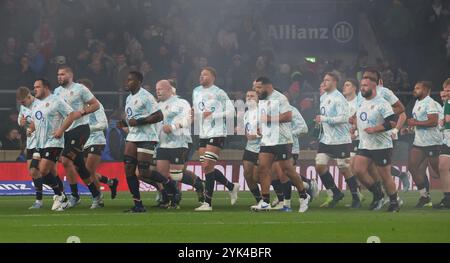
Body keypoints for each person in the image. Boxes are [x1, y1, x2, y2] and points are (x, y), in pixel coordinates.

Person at [118, 71, 179, 213]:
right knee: (128, 169)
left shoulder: (146, 96)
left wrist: (138, 122)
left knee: (144, 171)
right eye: (127, 80)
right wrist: (124, 122)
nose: (127, 82)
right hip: (133, 137)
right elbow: (132, 118)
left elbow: (159, 115)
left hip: (147, 137)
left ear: (139, 82)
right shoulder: (129, 98)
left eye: (131, 80)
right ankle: (138, 204)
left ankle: (170, 185)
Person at [251, 77, 310, 212]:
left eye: (258, 87)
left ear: (268, 86)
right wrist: (261, 128)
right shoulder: (263, 101)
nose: (256, 90)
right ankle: (265, 201)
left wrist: (270, 119)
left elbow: (288, 116)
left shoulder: (280, 98)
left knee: (287, 171)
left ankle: (303, 195)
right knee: (263, 168)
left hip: (282, 140)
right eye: (255, 88)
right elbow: (264, 119)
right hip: (267, 140)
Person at [53, 66, 104, 209]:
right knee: (78, 165)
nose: (59, 76)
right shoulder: (57, 92)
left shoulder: (80, 89)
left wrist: (81, 112)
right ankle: (94, 195)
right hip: (66, 130)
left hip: (81, 128)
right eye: (58, 74)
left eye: (62, 74)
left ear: (70, 75)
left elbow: (95, 105)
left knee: (65, 159)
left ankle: (76, 196)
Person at [192, 67, 239, 211]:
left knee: (206, 165)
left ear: (213, 77)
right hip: (203, 133)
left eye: (205, 75)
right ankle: (231, 186)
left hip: (217, 131)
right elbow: (197, 110)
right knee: (207, 168)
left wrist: (214, 115)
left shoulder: (219, 92)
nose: (202, 77)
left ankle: (208, 203)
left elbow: (232, 111)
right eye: (201, 74)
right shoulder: (196, 91)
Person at [30, 78, 80, 211]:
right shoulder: (36, 104)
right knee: (37, 171)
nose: (35, 89)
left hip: (54, 142)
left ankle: (59, 195)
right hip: (39, 143)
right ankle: (61, 195)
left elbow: (71, 114)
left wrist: (61, 130)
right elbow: (37, 121)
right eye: (34, 87)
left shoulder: (56, 101)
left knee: (43, 170)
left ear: (46, 87)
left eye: (37, 87)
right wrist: (30, 128)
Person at [352, 77, 400, 212]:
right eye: (361, 85)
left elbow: (392, 123)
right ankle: (378, 194)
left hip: (381, 145)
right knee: (358, 170)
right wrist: (354, 127)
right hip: (365, 144)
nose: (362, 88)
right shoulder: (361, 103)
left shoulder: (382, 103)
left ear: (373, 87)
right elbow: (363, 120)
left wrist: (375, 129)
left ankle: (394, 202)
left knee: (385, 176)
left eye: (365, 85)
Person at [314, 72, 361, 209]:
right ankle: (335, 192)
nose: (324, 82)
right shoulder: (323, 97)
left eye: (327, 80)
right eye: (324, 80)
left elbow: (343, 118)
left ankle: (356, 197)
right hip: (326, 140)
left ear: (335, 82)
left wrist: (324, 119)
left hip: (340, 140)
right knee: (319, 165)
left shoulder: (339, 98)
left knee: (344, 168)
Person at [155, 80, 203, 208]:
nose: (158, 91)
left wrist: (173, 126)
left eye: (161, 89)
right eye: (156, 89)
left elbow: (188, 119)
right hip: (162, 144)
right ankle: (172, 198)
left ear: (170, 90)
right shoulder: (157, 106)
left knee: (176, 174)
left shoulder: (181, 103)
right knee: (162, 175)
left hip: (179, 141)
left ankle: (197, 184)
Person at [78, 79, 119, 200]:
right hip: (84, 142)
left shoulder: (96, 104)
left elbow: (103, 124)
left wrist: (87, 129)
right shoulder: (78, 106)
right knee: (85, 172)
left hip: (96, 140)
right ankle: (110, 182)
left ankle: (98, 198)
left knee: (89, 171)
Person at [407, 81, 442, 208]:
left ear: (426, 90)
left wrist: (415, 123)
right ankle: (424, 196)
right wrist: (410, 128)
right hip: (419, 142)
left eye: (418, 88)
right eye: (414, 88)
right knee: (412, 166)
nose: (414, 90)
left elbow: (433, 122)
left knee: (438, 172)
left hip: (432, 142)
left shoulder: (430, 103)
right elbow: (419, 122)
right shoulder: (417, 103)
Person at [16, 86, 43, 209]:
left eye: (23, 102)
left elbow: (43, 122)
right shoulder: (23, 107)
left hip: (41, 142)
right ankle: (58, 194)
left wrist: (32, 127)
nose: (22, 104)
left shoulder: (40, 105)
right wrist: (20, 122)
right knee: (33, 173)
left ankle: (40, 200)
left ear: (29, 96)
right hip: (31, 143)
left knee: (36, 170)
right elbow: (21, 118)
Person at [242, 90, 262, 205]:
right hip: (249, 148)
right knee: (247, 175)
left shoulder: (262, 112)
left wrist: (256, 135)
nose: (249, 98)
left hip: (261, 148)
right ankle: (259, 200)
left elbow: (268, 130)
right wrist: (247, 135)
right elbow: (247, 131)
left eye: (252, 96)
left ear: (258, 98)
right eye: (247, 96)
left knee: (258, 177)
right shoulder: (246, 113)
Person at [436, 78, 450, 209]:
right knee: (443, 166)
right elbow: (443, 123)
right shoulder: (446, 104)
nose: (446, 93)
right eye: (445, 90)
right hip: (447, 140)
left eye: (449, 90)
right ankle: (447, 198)